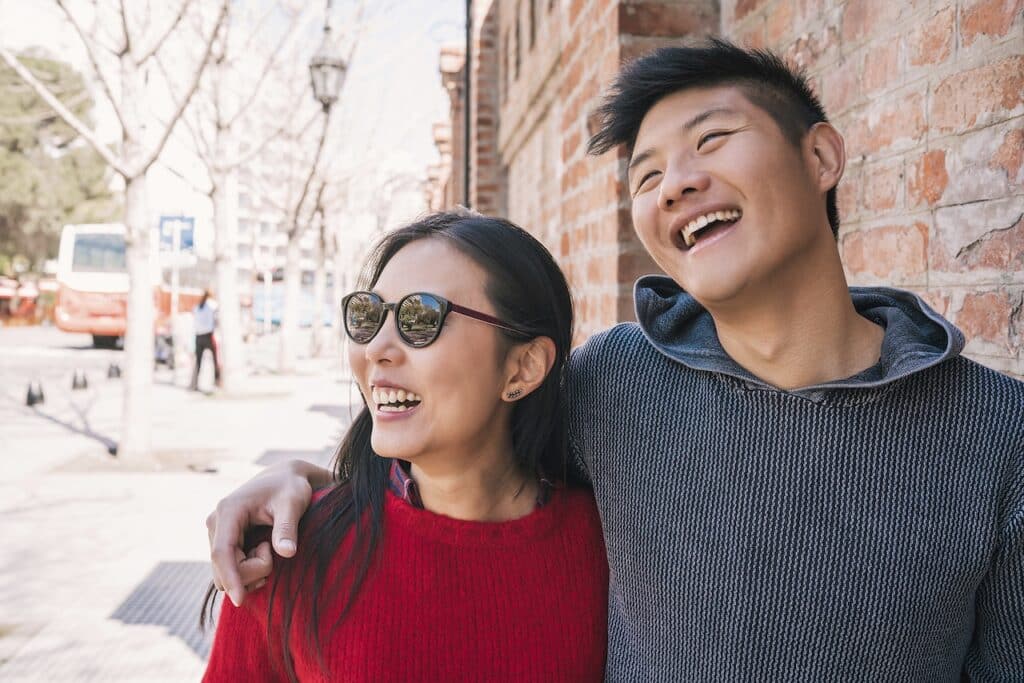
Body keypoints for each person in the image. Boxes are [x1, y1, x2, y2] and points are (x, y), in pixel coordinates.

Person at [206, 40, 1024, 679]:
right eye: (648, 173)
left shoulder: (998, 432)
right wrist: (304, 479)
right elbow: (465, 460)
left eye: (713, 140)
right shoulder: (617, 382)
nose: (676, 184)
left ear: (820, 159)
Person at [202, 211, 608, 681]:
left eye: (420, 318)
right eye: (367, 316)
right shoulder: (288, 552)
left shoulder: (613, 546)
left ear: (523, 367)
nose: (376, 347)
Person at [190, 289, 221, 390]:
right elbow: (217, 319)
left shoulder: (198, 306)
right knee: (216, 360)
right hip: (209, 335)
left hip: (198, 336)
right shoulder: (213, 304)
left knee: (198, 362)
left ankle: (194, 384)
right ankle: (217, 382)